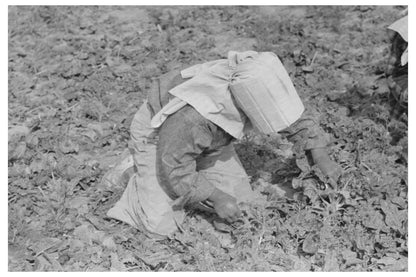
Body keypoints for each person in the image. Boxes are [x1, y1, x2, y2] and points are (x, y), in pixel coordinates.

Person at [105, 51, 342, 237]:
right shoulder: (193, 118)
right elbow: (174, 164)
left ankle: (189, 173)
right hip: (159, 139)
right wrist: (216, 197)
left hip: (209, 140)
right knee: (160, 226)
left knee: (242, 204)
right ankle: (131, 169)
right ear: (242, 105)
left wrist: (320, 156)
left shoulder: (254, 82)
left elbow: (289, 116)